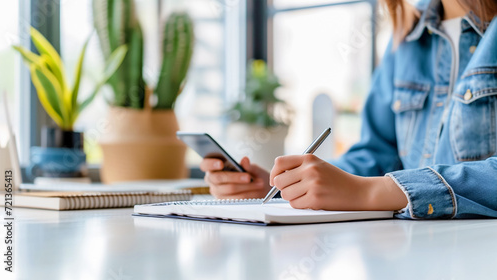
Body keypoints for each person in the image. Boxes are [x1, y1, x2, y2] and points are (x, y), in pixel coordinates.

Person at [200, 0, 497, 219]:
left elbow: (368, 185)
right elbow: (377, 154)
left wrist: (369, 192)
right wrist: (285, 186)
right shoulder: (405, 42)